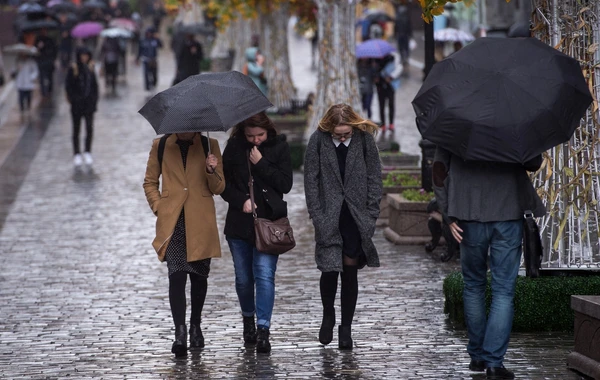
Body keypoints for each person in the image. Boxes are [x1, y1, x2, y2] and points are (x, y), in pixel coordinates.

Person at [432, 147, 546, 379]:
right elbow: (533, 162)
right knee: (503, 290)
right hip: (507, 210)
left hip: (468, 212)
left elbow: (438, 171)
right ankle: (494, 363)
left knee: (473, 284)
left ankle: (478, 356)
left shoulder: (455, 119)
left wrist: (448, 214)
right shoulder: (514, 118)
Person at [303, 104, 382, 350]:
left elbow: (374, 177)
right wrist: (316, 214)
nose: (342, 137)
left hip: (356, 217)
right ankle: (328, 314)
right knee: (328, 269)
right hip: (328, 215)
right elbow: (310, 180)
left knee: (350, 270)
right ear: (329, 128)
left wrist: (371, 214)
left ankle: (346, 327)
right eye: (338, 133)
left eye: (346, 132)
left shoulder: (365, 141)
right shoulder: (318, 141)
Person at [143, 132, 225, 357]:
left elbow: (219, 188)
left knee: (199, 277)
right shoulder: (160, 146)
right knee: (177, 275)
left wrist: (211, 170)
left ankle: (195, 325)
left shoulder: (210, 145)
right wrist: (160, 208)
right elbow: (150, 182)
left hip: (200, 220)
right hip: (173, 222)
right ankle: (180, 332)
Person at [220, 112, 292, 354]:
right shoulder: (234, 147)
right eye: (250, 136)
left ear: (267, 131)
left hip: (269, 225)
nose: (255, 140)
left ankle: (263, 330)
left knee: (264, 276)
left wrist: (261, 163)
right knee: (243, 280)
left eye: (259, 135)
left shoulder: (279, 146)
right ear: (242, 132)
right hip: (239, 225)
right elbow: (223, 186)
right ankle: (248, 321)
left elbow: (285, 184)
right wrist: (241, 201)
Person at [65, 47, 99, 167]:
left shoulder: (90, 68)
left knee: (89, 128)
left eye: (86, 55)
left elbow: (95, 87)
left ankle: (87, 151)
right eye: (82, 55)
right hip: (77, 106)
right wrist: (75, 99)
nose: (84, 58)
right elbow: (68, 86)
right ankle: (76, 153)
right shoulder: (73, 68)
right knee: (76, 129)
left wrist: (94, 102)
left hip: (88, 105)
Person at [375, 51, 402, 133]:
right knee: (381, 105)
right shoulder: (376, 60)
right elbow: (375, 72)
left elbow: (399, 68)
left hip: (390, 85)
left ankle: (391, 123)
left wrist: (391, 77)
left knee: (391, 104)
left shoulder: (393, 57)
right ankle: (383, 124)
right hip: (380, 85)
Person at [136, 27, 163, 92]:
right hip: (146, 60)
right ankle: (147, 87)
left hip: (153, 60)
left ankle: (153, 84)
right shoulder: (143, 40)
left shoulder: (155, 40)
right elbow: (139, 50)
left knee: (154, 74)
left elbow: (161, 46)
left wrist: (158, 38)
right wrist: (137, 59)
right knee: (146, 74)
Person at [34, 28, 58, 97]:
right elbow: (35, 50)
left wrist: (53, 58)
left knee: (50, 77)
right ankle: (43, 92)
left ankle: (49, 90)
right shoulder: (38, 40)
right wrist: (38, 47)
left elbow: (54, 49)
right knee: (42, 77)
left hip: (49, 61)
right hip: (41, 61)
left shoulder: (50, 39)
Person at [394, 2, 412, 77]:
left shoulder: (398, 18)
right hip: (405, 36)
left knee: (401, 49)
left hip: (400, 35)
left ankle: (403, 59)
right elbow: (410, 28)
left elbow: (396, 28)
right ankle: (406, 59)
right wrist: (410, 35)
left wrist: (395, 35)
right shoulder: (406, 18)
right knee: (406, 48)